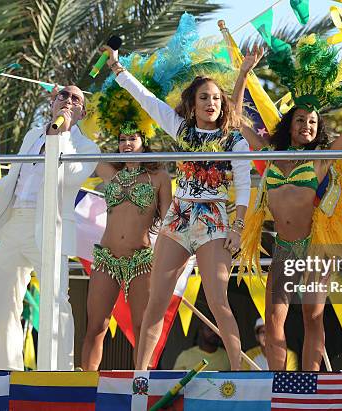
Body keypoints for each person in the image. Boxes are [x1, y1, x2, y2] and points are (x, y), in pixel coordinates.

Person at [235, 36, 342, 371]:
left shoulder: (323, 158)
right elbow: (236, 121)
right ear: (289, 124)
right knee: (274, 318)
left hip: (316, 247)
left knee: (312, 318)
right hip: (284, 247)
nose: (306, 126)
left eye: (312, 122)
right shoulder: (270, 156)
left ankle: (310, 384)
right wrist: (244, 74)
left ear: (317, 129)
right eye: (300, 120)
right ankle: (277, 384)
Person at [103, 40, 251, 371]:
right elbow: (147, 100)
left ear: (223, 104)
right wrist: (117, 67)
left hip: (213, 218)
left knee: (218, 301)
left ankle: (240, 375)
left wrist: (238, 229)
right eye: (204, 98)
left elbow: (243, 188)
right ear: (193, 103)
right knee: (156, 301)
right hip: (179, 216)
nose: (211, 102)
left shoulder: (234, 140)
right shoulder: (181, 129)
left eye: (216, 98)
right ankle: (141, 374)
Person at [0, 85, 100, 371]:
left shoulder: (88, 148)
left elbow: (66, 179)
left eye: (75, 99)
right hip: (15, 222)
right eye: (63, 96)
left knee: (56, 300)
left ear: (83, 112)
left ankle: (57, 371)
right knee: (3, 298)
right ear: (52, 102)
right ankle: (4, 369)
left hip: (50, 226)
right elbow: (17, 178)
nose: (68, 101)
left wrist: (61, 135)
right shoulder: (31, 135)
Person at [81, 123, 171, 370]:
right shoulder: (111, 172)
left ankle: (141, 384)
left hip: (141, 261)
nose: (127, 144)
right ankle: (87, 384)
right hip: (106, 258)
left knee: (142, 326)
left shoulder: (160, 177)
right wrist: (68, 116)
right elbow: (83, 146)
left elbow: (169, 224)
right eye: (122, 139)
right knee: (97, 325)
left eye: (133, 138)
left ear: (145, 141)